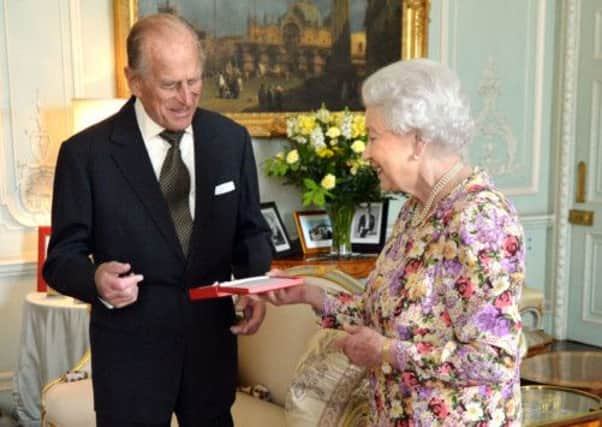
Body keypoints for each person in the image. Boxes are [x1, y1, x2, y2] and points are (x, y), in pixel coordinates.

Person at [260, 59, 525, 426]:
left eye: (373, 137)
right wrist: (311, 295)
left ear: (417, 141)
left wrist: (385, 352)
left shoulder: (480, 219)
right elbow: (391, 315)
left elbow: (494, 360)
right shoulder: (416, 210)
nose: (366, 152)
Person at [43, 13, 272, 427]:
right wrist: (96, 280)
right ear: (134, 81)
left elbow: (250, 230)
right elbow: (61, 257)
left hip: (211, 354)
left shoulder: (230, 140)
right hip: (131, 359)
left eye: (194, 81)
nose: (187, 98)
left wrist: (254, 286)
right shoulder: (86, 154)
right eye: (170, 85)